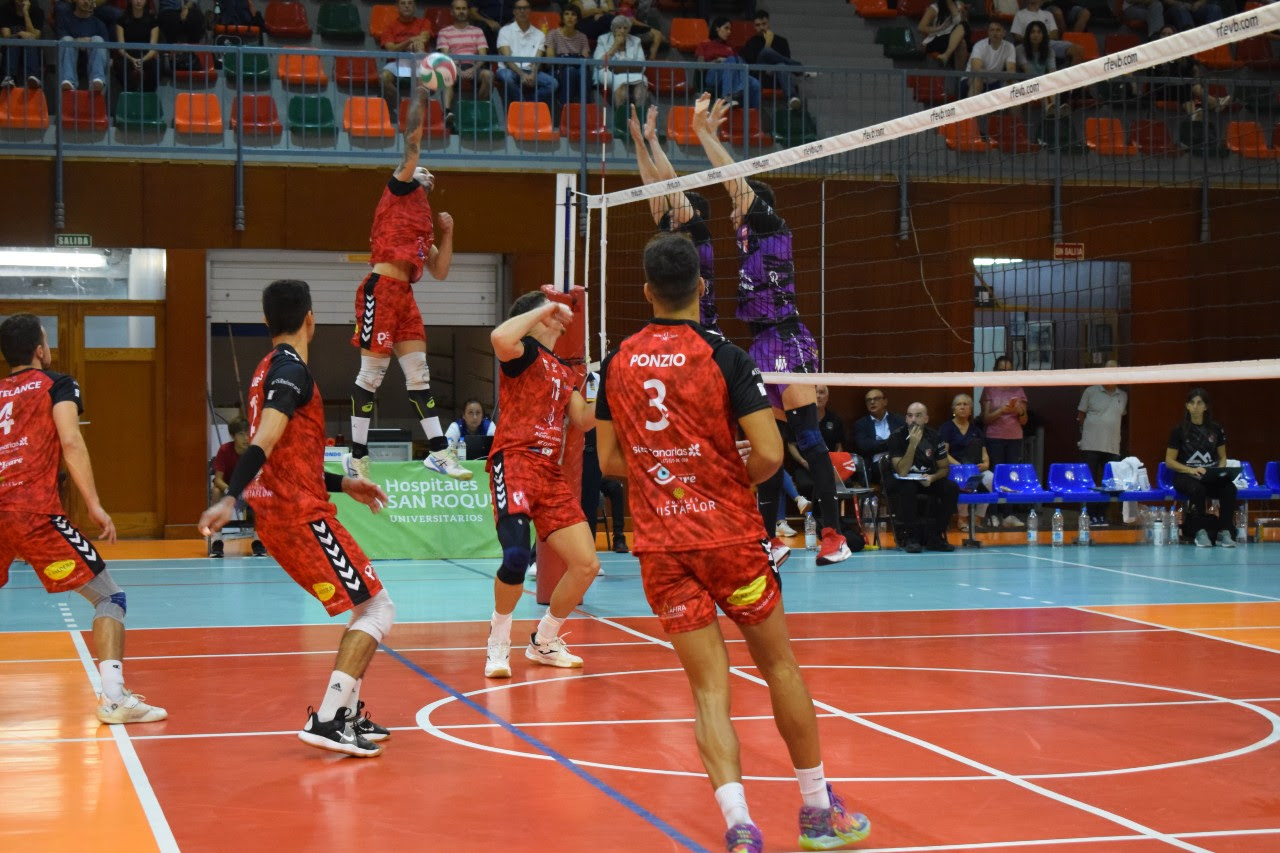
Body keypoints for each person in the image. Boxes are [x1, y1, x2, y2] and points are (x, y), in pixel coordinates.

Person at [593, 234, 871, 853]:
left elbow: (610, 461)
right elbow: (769, 455)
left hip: (664, 548)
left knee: (708, 691)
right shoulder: (727, 357)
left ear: (646, 291)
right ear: (701, 287)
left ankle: (739, 824)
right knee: (779, 667)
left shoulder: (616, 362)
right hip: (730, 541)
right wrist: (717, 475)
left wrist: (667, 474)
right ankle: (817, 812)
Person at [199, 280, 396, 757]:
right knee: (377, 608)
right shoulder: (291, 370)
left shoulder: (267, 368)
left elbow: (286, 459)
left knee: (364, 606)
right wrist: (230, 497)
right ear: (311, 319)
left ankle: (345, 714)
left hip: (281, 514)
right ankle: (328, 719)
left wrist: (343, 483)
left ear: (267, 322)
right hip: (300, 517)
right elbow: (265, 440)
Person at [692, 93, 850, 567]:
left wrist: (704, 134)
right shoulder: (747, 250)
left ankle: (833, 535)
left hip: (787, 337)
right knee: (769, 445)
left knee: (808, 438)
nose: (731, 215)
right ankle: (769, 540)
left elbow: (734, 184)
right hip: (760, 343)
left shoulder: (774, 230)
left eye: (738, 209)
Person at [1, 312, 167, 727]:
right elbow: (71, 441)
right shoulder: (57, 384)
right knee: (110, 597)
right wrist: (94, 504)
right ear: (40, 350)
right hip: (34, 513)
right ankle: (115, 699)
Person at [346, 85, 465, 483]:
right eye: (422, 170)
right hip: (380, 288)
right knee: (371, 375)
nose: (428, 174)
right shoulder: (398, 190)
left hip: (405, 295)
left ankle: (439, 453)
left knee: (419, 374)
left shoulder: (423, 222)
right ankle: (357, 457)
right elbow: (412, 141)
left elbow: (441, 271)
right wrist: (421, 98)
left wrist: (447, 234)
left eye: (430, 174)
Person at [483, 292, 600, 678]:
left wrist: (614, 388)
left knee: (586, 564)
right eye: (551, 313)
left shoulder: (565, 371)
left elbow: (583, 419)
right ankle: (498, 640)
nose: (562, 319)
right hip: (515, 461)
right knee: (517, 556)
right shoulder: (523, 352)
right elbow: (499, 337)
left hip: (549, 473)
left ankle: (544, 641)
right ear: (535, 317)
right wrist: (546, 307)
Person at [629, 103, 720, 334]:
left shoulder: (700, 236)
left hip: (704, 330)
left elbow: (670, 184)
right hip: (671, 331)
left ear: (696, 214)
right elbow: (653, 184)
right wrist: (639, 142)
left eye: (678, 207)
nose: (671, 212)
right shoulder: (669, 232)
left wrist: (653, 139)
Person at [1165, 386, 1236, 548]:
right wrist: (1191, 470)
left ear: (1206, 406)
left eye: (1199, 403)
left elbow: (1222, 457)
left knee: (1229, 488)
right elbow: (1169, 461)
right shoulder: (1179, 430)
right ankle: (1199, 531)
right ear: (1187, 406)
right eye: (1192, 403)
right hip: (1185, 475)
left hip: (1209, 475)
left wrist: (1219, 471)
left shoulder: (1216, 429)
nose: (1195, 406)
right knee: (1198, 489)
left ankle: (1225, 531)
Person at [887, 402, 958, 553]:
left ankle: (936, 536)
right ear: (906, 419)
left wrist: (932, 477)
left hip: (927, 479)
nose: (913, 419)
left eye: (918, 416)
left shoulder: (935, 436)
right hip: (902, 481)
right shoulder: (896, 437)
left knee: (951, 488)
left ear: (926, 419)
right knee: (908, 488)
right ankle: (911, 537)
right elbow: (902, 472)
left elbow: (944, 468)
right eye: (909, 415)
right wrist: (912, 445)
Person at [209, 416, 266, 557]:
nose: (246, 438)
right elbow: (218, 480)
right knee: (215, 491)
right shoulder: (224, 450)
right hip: (228, 491)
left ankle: (258, 541)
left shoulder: (254, 452)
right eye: (241, 434)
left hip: (249, 491)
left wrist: (248, 491)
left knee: (262, 493)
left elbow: (260, 478)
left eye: (248, 434)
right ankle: (217, 542)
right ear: (233, 436)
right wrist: (232, 492)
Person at [980, 355, 1026, 528]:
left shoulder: (1018, 389)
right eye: (1001, 370)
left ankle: (1008, 514)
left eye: (1008, 370)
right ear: (995, 370)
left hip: (1014, 437)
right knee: (994, 476)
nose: (1005, 373)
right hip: (994, 437)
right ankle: (992, 513)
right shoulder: (989, 388)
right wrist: (1001, 410)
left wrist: (1020, 411)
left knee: (1010, 476)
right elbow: (985, 418)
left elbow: (1024, 420)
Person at [1077, 364, 1126, 525]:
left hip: (1112, 447)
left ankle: (1102, 515)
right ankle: (1090, 515)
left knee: (1109, 484)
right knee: (1090, 482)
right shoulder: (1090, 391)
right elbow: (1081, 415)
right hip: (1090, 444)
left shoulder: (1123, 395)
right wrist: (1085, 434)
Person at [740, 9, 816, 111]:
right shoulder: (751, 43)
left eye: (764, 24)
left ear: (769, 23)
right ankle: (800, 69)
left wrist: (774, 68)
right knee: (766, 52)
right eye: (758, 25)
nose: (762, 28)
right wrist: (768, 43)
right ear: (754, 26)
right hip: (761, 77)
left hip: (778, 77)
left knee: (781, 66)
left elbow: (786, 62)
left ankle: (792, 98)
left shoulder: (781, 41)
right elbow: (752, 65)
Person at [436, 0, 494, 131]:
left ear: (467, 11)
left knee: (488, 75)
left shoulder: (477, 31)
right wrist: (457, 70)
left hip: (474, 66)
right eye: (458, 9)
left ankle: (476, 109)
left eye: (464, 9)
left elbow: (483, 55)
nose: (461, 11)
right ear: (452, 12)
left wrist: (473, 69)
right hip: (454, 66)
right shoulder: (444, 32)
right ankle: (447, 112)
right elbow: (445, 56)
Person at [939, 392, 991, 532]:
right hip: (954, 469)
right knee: (963, 478)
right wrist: (962, 468)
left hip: (974, 468)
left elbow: (984, 454)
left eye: (965, 404)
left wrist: (985, 464)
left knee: (990, 477)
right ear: (953, 409)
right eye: (959, 404)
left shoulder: (976, 430)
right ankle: (962, 517)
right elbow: (944, 453)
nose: (962, 407)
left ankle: (978, 518)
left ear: (970, 409)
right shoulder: (947, 428)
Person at [379, 0, 433, 121]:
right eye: (403, 3)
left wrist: (405, 45)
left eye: (410, 3)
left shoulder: (424, 22)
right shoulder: (389, 26)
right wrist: (409, 42)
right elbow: (391, 49)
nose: (407, 6)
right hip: (396, 62)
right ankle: (401, 107)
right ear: (397, 7)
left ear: (415, 6)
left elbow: (423, 38)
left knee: (426, 80)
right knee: (384, 78)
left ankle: (418, 114)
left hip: (417, 62)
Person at [496, 0, 557, 106]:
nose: (522, 11)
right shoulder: (504, 31)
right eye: (519, 8)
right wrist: (522, 74)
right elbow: (507, 60)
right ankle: (523, 106)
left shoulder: (540, 34)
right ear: (514, 11)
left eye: (525, 8)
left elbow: (537, 60)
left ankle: (527, 103)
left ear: (530, 11)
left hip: (530, 71)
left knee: (553, 83)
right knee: (507, 77)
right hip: (509, 69)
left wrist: (533, 74)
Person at [696, 17, 760, 110]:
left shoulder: (730, 47)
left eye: (730, 29)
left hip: (731, 75)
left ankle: (755, 114)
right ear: (717, 28)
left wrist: (727, 60)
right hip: (713, 75)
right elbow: (700, 67)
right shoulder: (704, 44)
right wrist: (716, 61)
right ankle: (727, 96)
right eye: (726, 28)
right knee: (731, 60)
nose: (729, 32)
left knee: (755, 83)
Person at [851, 388, 904, 486]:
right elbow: (864, 446)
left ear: (885, 401)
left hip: (898, 462)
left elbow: (904, 442)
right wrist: (892, 442)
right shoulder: (861, 424)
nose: (872, 402)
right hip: (874, 467)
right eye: (868, 400)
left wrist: (878, 444)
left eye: (876, 399)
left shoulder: (899, 420)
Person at [542, 3, 591, 110]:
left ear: (577, 19)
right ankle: (564, 107)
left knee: (582, 71)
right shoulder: (553, 34)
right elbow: (550, 60)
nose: (570, 17)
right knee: (570, 71)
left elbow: (585, 59)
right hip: (557, 70)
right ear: (562, 17)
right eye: (567, 14)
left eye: (573, 14)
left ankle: (585, 108)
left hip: (577, 69)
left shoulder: (582, 37)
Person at [593, 15, 647, 109]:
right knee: (622, 85)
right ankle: (620, 114)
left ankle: (639, 113)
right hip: (608, 71)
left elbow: (641, 63)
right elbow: (598, 64)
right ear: (613, 29)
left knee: (642, 83)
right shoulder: (603, 39)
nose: (622, 31)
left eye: (625, 28)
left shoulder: (636, 41)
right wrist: (615, 46)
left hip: (631, 72)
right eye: (619, 27)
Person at [1009, 0, 1084, 67]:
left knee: (1078, 50)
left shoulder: (1048, 14)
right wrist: (1032, 39)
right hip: (1028, 44)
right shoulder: (1019, 14)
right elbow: (1017, 36)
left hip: (1048, 43)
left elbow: (1055, 34)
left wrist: (1041, 39)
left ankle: (1068, 77)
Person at [57, 0, 109, 93]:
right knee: (66, 40)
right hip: (72, 61)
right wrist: (77, 41)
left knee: (98, 39)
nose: (86, 1)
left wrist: (90, 41)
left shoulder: (99, 24)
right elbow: (61, 43)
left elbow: (106, 50)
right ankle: (68, 81)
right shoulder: (65, 20)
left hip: (92, 61)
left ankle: (97, 80)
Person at [113, 0, 159, 94]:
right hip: (127, 55)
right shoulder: (121, 20)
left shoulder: (153, 21)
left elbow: (152, 48)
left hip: (146, 55)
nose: (138, 1)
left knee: (155, 66)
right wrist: (132, 59)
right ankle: (130, 94)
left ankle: (147, 95)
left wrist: (142, 60)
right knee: (120, 65)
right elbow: (121, 48)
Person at [1, 0, 44, 90]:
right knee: (15, 39)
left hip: (32, 50)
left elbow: (36, 36)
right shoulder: (5, 9)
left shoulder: (37, 11)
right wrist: (19, 34)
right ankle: (9, 77)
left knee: (30, 40)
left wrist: (25, 13)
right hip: (11, 49)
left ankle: (32, 78)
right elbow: (6, 35)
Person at [966, 20, 1016, 96]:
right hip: (970, 80)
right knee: (978, 79)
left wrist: (1002, 76)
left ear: (1004, 33)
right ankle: (972, 104)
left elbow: (1011, 72)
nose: (995, 33)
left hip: (994, 81)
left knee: (1012, 84)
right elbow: (976, 70)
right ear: (988, 33)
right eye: (992, 30)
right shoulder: (979, 46)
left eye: (998, 30)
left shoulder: (1009, 47)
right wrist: (999, 74)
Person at [918, 0, 969, 74]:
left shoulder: (959, 4)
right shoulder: (934, 8)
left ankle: (946, 57)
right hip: (937, 38)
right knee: (961, 43)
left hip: (954, 37)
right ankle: (960, 76)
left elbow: (964, 24)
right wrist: (939, 28)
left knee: (963, 31)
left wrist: (964, 14)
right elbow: (920, 28)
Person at [814, 384, 844, 454]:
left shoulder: (835, 419)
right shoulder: (804, 419)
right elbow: (792, 444)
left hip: (830, 459)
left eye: (821, 392)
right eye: (815, 393)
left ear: (827, 397)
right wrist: (802, 460)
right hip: (805, 460)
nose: (818, 396)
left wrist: (834, 459)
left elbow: (839, 446)